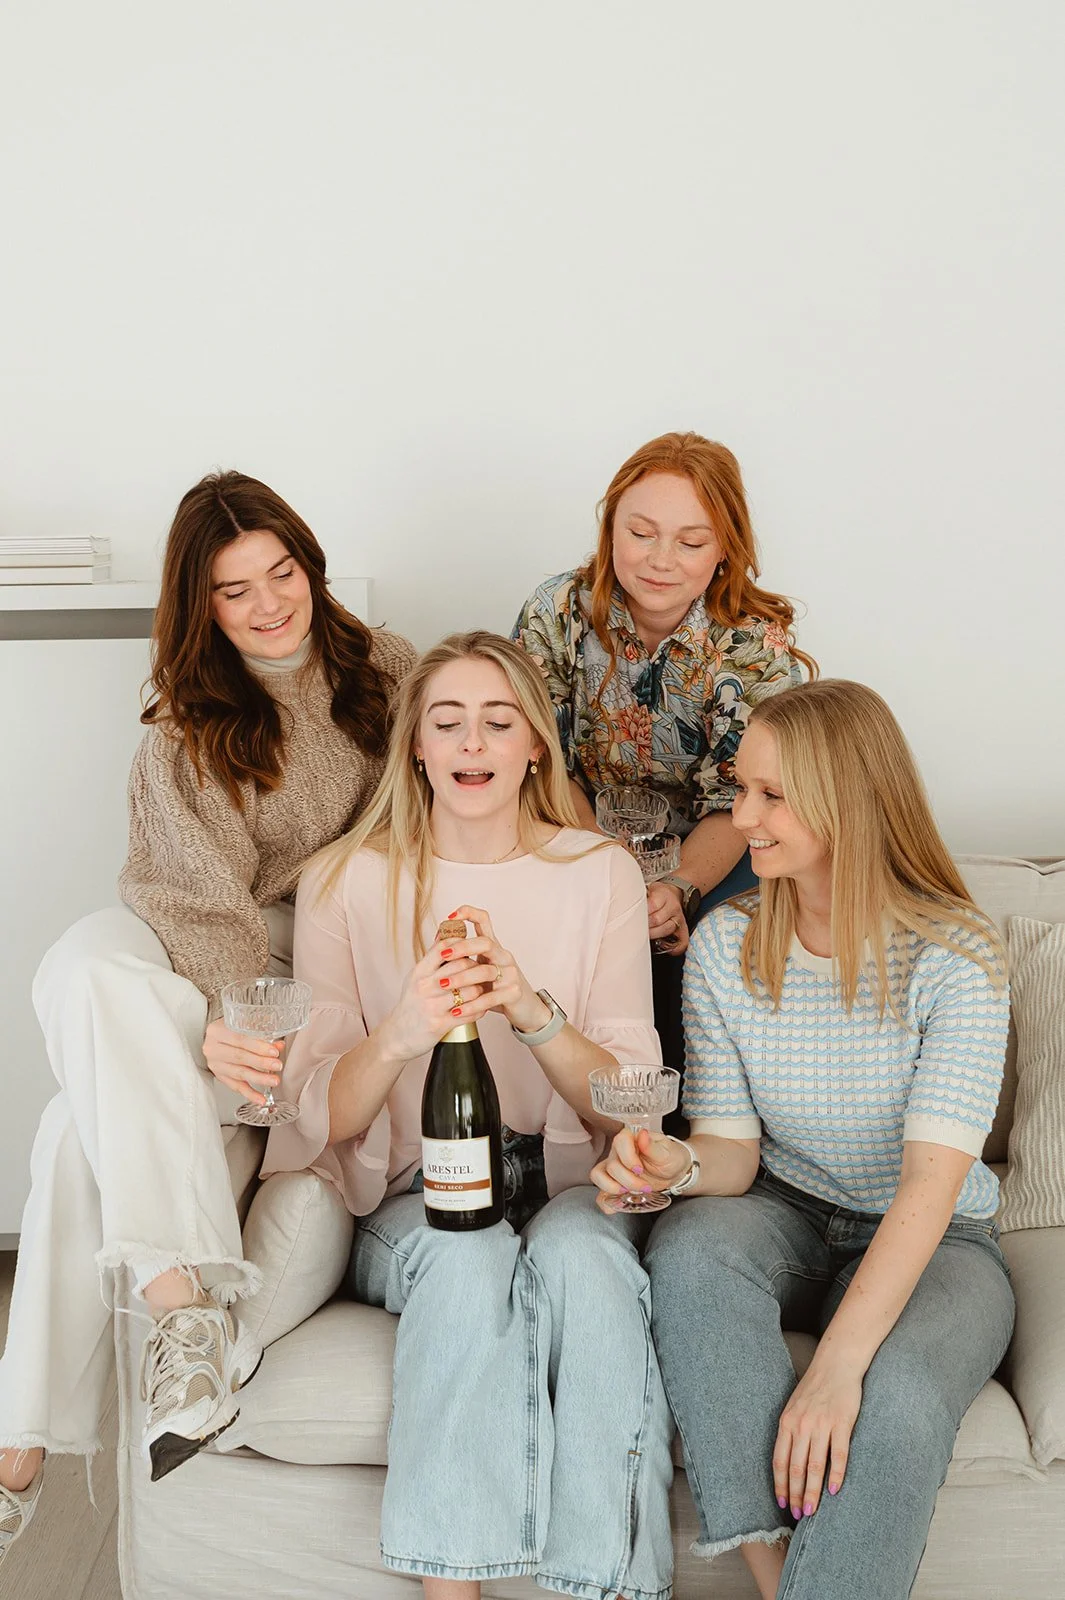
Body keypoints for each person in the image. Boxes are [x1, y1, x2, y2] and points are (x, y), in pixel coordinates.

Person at [0, 471, 415, 1567]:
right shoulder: (188, 731)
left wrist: (265, 1029)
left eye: (282, 572)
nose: (270, 603)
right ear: (204, 608)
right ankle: (186, 1307)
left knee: (71, 1133)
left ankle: (14, 1449)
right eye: (236, 591)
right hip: (191, 954)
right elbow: (187, 902)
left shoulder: (391, 674)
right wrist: (223, 1026)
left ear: (310, 567)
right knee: (82, 966)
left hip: (318, 954)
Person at [259, 631, 674, 1600]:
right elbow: (315, 1116)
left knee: (585, 1260)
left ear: (537, 743)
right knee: (473, 1251)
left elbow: (627, 1103)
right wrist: (404, 1028)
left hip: (565, 1179)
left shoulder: (597, 872)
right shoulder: (345, 879)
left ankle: (606, 1588)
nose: (473, 742)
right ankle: (455, 1590)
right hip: (414, 1190)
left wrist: (530, 1011)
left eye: (499, 720)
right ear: (415, 744)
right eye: (448, 721)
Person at [592, 679, 1014, 1600]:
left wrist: (832, 1372)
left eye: (768, 796)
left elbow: (928, 1191)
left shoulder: (958, 957)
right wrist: (680, 1165)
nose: (739, 818)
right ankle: (776, 1575)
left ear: (847, 800)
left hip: (937, 1239)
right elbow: (732, 1148)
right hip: (781, 1208)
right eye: (740, 788)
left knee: (893, 1401)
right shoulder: (725, 942)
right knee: (692, 1251)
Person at [511, 431, 816, 1066]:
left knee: (708, 958)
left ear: (726, 549)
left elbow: (743, 798)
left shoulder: (754, 646)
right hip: (576, 825)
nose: (660, 559)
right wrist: (606, 870)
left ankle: (692, 1125)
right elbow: (538, 755)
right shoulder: (557, 611)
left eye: (691, 541)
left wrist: (678, 888)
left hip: (721, 843)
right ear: (611, 529)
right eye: (641, 532)